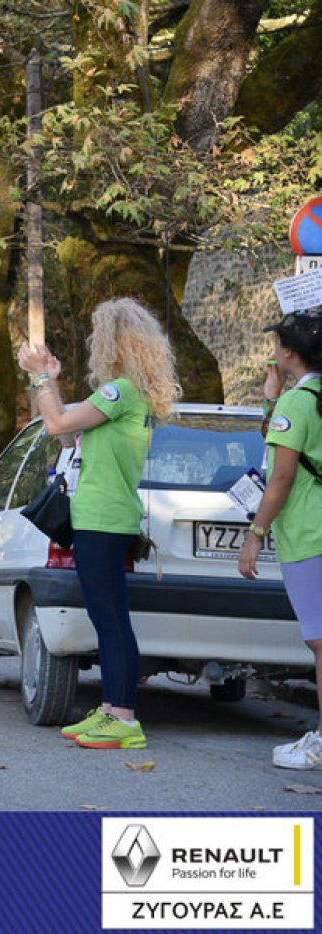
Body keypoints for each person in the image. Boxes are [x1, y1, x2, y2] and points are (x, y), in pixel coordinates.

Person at [18, 297, 180, 750]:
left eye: (99, 336)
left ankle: (123, 718)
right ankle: (111, 709)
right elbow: (69, 435)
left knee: (110, 620)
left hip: (103, 518)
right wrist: (50, 383)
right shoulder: (126, 394)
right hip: (104, 517)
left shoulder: (120, 392)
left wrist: (40, 376)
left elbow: (56, 426)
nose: (94, 344)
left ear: (114, 342)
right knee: (107, 618)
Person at [239, 310, 322, 770]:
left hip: (309, 532)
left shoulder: (297, 402)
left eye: (276, 344)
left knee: (320, 642)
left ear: (288, 352)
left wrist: (255, 534)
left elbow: (282, 476)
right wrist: (272, 400)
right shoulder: (302, 399)